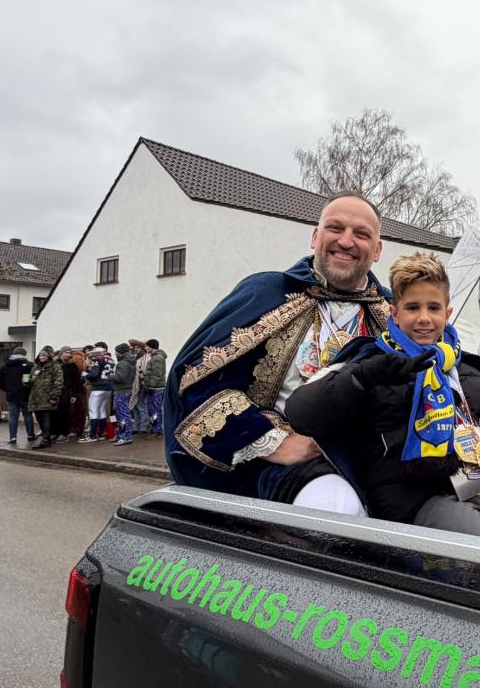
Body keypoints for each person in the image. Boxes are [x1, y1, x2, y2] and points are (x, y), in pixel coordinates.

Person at [286, 252, 480, 536]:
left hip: (479, 475)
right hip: (416, 498)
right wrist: (361, 377)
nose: (424, 319)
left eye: (433, 308)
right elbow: (302, 414)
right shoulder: (374, 364)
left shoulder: (466, 370)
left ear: (447, 313)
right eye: (413, 307)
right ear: (394, 312)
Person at [164, 192, 392, 514]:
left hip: (375, 463)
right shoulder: (265, 291)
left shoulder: (397, 313)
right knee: (336, 505)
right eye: (335, 228)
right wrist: (273, 441)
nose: (346, 241)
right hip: (280, 470)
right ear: (315, 237)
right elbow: (198, 378)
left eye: (362, 234)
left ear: (378, 249)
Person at [0, 346, 35, 444]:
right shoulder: (29, 365)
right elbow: (34, 379)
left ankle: (12, 437)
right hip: (26, 394)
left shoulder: (5, 365)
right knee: (28, 415)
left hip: (11, 395)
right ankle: (30, 434)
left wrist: (7, 389)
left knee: (13, 417)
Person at [28, 347, 63, 448]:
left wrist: (54, 396)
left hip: (47, 397)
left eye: (44, 355)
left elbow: (58, 382)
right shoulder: (35, 367)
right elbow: (31, 380)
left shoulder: (55, 367)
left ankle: (46, 438)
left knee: (46, 418)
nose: (41, 357)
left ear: (49, 356)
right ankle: (46, 436)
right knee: (39, 418)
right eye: (40, 355)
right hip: (36, 397)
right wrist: (27, 382)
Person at [82, 342, 115, 442]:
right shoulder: (111, 359)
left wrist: (86, 375)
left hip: (98, 387)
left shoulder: (97, 359)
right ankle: (101, 433)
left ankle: (92, 435)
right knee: (102, 410)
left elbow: (94, 374)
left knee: (93, 411)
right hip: (108, 387)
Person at [53, 347, 82, 443]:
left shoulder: (72, 366)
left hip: (67, 391)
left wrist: (74, 394)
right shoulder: (55, 364)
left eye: (69, 353)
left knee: (65, 412)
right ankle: (55, 432)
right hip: (55, 391)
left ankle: (64, 433)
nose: (68, 354)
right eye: (66, 352)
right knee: (54, 412)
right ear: (61, 353)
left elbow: (76, 381)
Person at [111, 342, 137, 446]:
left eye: (116, 352)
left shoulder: (122, 363)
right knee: (124, 413)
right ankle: (121, 434)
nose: (115, 354)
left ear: (121, 352)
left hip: (121, 391)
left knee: (122, 414)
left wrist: (109, 377)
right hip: (126, 390)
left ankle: (125, 436)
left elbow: (120, 378)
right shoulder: (130, 362)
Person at [142, 339, 166, 436]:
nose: (145, 348)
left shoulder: (158, 358)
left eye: (147, 346)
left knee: (156, 409)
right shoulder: (154, 357)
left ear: (152, 347)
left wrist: (150, 386)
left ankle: (158, 429)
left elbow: (157, 374)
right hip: (153, 387)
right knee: (152, 409)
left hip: (157, 388)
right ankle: (155, 428)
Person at [128, 339, 150, 434]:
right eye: (135, 347)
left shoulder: (146, 358)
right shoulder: (136, 358)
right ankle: (136, 427)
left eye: (138, 347)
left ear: (142, 349)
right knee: (135, 408)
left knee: (141, 406)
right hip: (135, 385)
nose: (136, 349)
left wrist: (144, 384)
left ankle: (143, 427)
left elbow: (145, 373)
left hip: (142, 385)